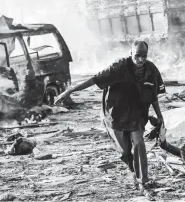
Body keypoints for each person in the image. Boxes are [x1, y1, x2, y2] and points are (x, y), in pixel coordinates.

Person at [54, 41, 165, 192]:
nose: (140, 60)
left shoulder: (151, 70)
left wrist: (159, 116)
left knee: (139, 144)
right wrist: (69, 92)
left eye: (144, 56)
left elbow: (153, 96)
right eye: (137, 56)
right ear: (131, 53)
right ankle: (133, 170)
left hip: (137, 115)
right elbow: (94, 80)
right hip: (116, 115)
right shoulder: (119, 67)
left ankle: (143, 180)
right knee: (125, 151)